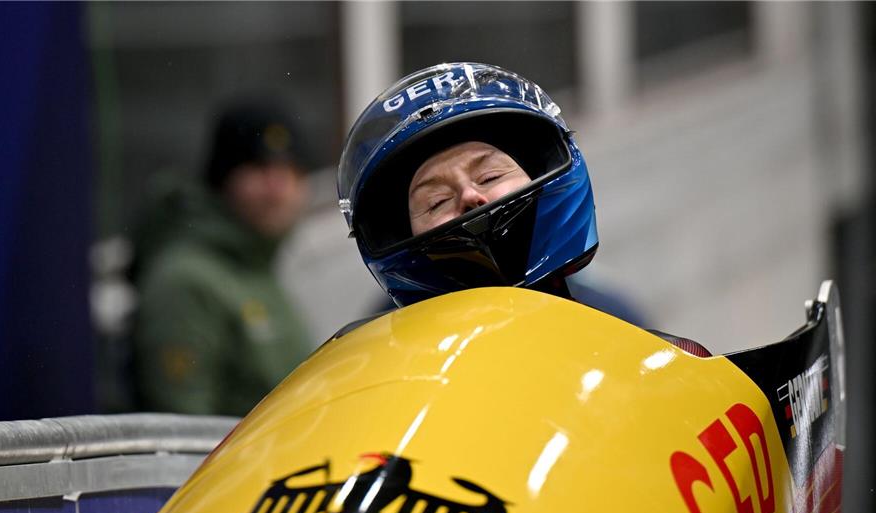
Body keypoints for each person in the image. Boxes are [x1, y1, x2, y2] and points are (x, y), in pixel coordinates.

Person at [337, 62, 709, 356]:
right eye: (436, 201)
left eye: (489, 176)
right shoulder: (381, 363)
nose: (470, 196)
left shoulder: (640, 343)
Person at [131, 99, 313, 416]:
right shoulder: (186, 281)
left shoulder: (257, 269)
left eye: (292, 171)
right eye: (260, 169)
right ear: (223, 180)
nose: (278, 189)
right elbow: (183, 426)